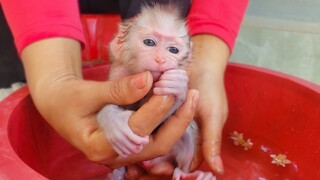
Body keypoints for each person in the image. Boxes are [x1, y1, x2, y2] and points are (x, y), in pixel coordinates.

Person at [0, 0, 249, 178]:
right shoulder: (121, 69)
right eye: (150, 43)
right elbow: (110, 109)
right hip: (31, 10)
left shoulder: (178, 69)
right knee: (25, 88)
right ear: (119, 45)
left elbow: (178, 101)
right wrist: (54, 79)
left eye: (173, 50)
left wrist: (206, 64)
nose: (162, 59)